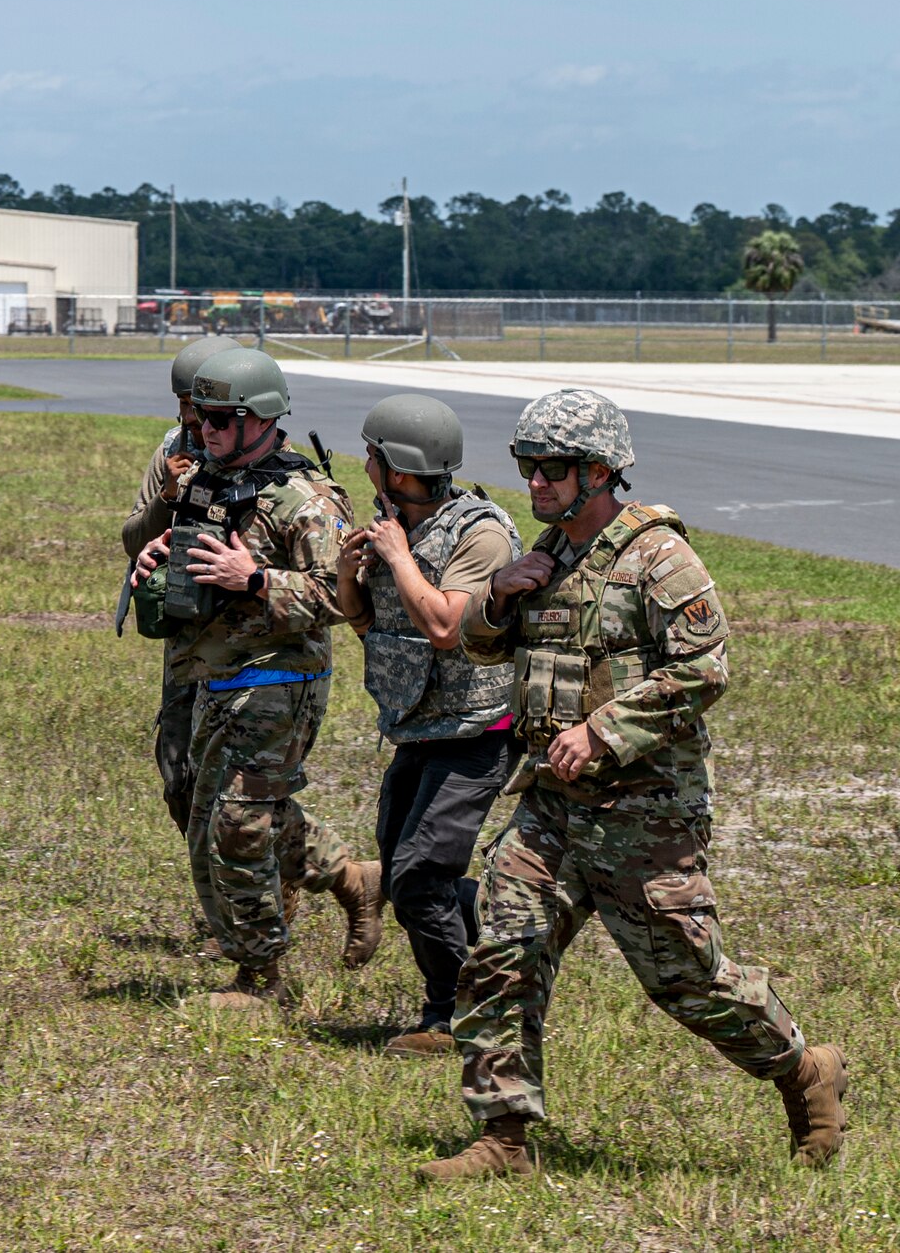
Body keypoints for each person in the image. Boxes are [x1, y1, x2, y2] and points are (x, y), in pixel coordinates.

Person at [418, 388, 845, 1181]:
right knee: (501, 953)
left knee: (686, 980)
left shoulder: (659, 557)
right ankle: (504, 1137)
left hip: (641, 812)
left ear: (601, 471)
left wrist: (603, 731)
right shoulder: (545, 556)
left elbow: (705, 668)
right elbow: (480, 648)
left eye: (554, 468)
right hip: (551, 806)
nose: (536, 482)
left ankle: (802, 1069)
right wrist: (501, 596)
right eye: (528, 465)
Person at [130, 347, 384, 1013]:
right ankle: (352, 880)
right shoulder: (205, 480)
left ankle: (261, 976)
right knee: (211, 816)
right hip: (206, 674)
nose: (205, 430)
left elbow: (346, 598)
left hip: (277, 679)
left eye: (221, 418)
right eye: (201, 417)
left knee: (239, 823)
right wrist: (160, 559)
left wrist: (256, 580)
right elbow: (177, 551)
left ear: (260, 418)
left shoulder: (308, 499)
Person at [336, 395, 520, 1057]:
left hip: (477, 730)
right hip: (418, 727)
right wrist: (348, 573)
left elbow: (446, 626)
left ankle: (454, 1017)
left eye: (374, 456)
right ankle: (487, 924)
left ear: (398, 467)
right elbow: (365, 624)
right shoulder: (398, 525)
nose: (366, 465)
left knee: (416, 877)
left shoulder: (481, 532)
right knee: (402, 861)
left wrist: (397, 557)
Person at [123, 337, 233, 955]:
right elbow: (131, 537)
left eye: (209, 408)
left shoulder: (260, 451)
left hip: (248, 647)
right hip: (186, 637)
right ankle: (226, 896)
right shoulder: (171, 452)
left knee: (237, 789)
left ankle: (246, 906)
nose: (197, 422)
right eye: (188, 407)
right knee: (178, 775)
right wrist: (167, 497)